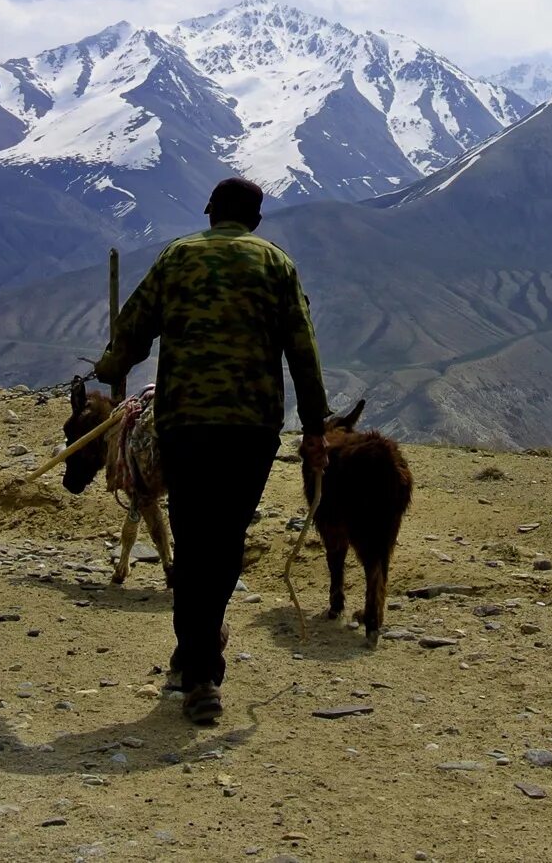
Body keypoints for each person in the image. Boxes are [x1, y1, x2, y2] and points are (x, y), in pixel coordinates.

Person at [93, 177, 328, 725]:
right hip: (251, 428)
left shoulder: (177, 257)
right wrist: (315, 426)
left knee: (195, 539)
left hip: (184, 424)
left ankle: (195, 663)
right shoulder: (276, 265)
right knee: (226, 541)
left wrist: (106, 371)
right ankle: (200, 661)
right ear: (256, 220)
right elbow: (303, 350)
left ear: (209, 213)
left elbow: (132, 330)